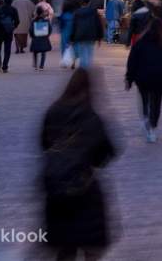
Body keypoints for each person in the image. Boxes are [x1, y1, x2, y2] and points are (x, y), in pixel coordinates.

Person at [40, 69, 118, 260]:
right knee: (90, 247)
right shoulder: (91, 117)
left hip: (56, 192)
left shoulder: (53, 110)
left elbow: (43, 144)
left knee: (64, 249)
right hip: (84, 190)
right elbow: (105, 154)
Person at [126, 17, 162, 142]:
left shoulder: (139, 43)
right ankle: (153, 127)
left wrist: (129, 79)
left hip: (142, 77)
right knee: (157, 102)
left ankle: (146, 117)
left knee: (144, 99)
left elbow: (132, 62)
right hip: (160, 76)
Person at [71, 0, 103, 69]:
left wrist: (72, 38)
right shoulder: (94, 12)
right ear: (89, 2)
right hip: (91, 36)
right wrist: (99, 37)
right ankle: (87, 68)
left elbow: (74, 26)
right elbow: (98, 25)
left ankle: (83, 69)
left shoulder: (77, 12)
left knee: (82, 54)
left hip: (80, 36)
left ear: (81, 2)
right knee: (89, 52)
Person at [0, 0, 19, 72]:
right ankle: (5, 67)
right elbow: (17, 21)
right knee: (7, 50)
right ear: (11, 1)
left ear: (4, 1)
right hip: (8, 32)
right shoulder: (13, 10)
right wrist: (12, 27)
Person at [30, 6, 53, 70]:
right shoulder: (46, 21)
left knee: (35, 51)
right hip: (43, 37)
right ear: (42, 13)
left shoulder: (34, 21)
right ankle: (41, 66)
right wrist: (47, 35)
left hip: (36, 37)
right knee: (43, 52)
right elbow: (50, 29)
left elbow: (31, 30)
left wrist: (32, 36)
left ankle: (35, 65)